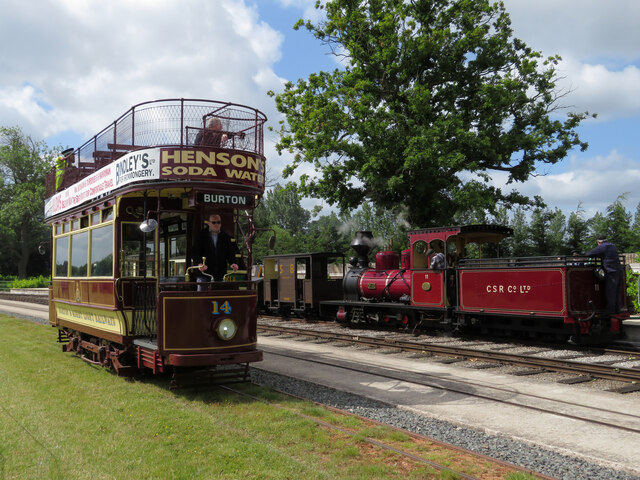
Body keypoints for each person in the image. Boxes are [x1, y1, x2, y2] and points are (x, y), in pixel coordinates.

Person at [192, 214, 241, 285]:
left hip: (220, 275)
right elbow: (195, 252)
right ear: (209, 223)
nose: (216, 224)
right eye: (214, 222)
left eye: (218, 222)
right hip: (204, 274)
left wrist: (233, 262)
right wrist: (199, 264)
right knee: (203, 295)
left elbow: (230, 252)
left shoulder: (225, 237)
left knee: (219, 295)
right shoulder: (201, 236)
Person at [586, 234, 623, 314]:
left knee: (610, 292)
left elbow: (588, 254)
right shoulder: (613, 246)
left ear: (598, 242)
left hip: (611, 272)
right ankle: (617, 310)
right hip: (619, 271)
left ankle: (611, 312)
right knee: (617, 292)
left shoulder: (602, 247)